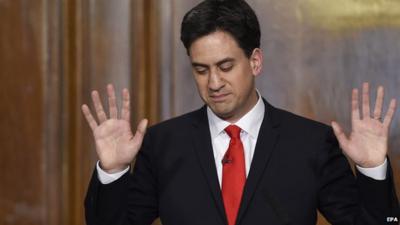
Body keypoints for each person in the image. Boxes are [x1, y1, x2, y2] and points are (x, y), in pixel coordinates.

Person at [82, 0, 399, 224]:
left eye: (225, 66)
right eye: (201, 69)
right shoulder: (163, 143)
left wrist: (372, 170)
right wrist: (113, 172)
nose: (214, 82)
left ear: (255, 61)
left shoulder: (312, 143)